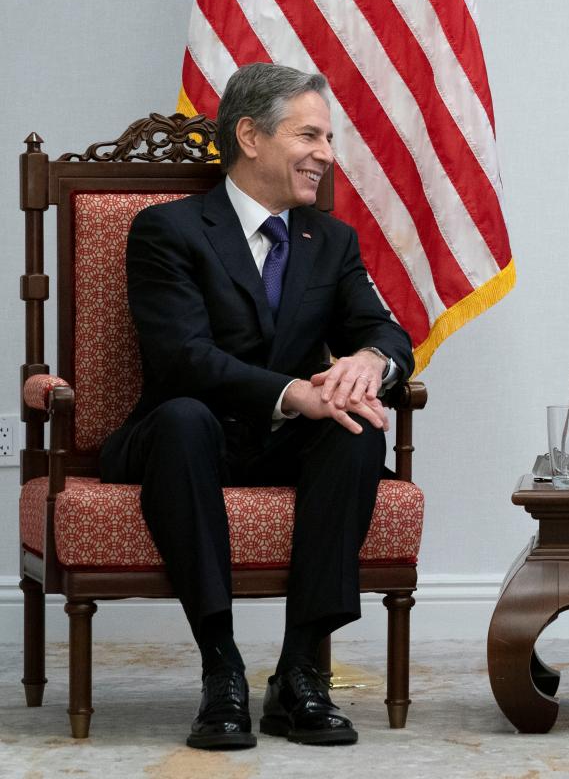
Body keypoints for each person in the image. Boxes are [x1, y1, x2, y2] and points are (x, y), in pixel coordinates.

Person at [101, 63, 413, 750]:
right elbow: (183, 356)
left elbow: (384, 329)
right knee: (184, 418)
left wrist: (369, 363)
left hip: (282, 440)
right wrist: (296, 391)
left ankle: (301, 673)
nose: (327, 154)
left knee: (356, 428)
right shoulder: (169, 230)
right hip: (189, 433)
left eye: (328, 137)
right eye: (310, 134)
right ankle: (223, 671)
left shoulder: (329, 240)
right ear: (250, 135)